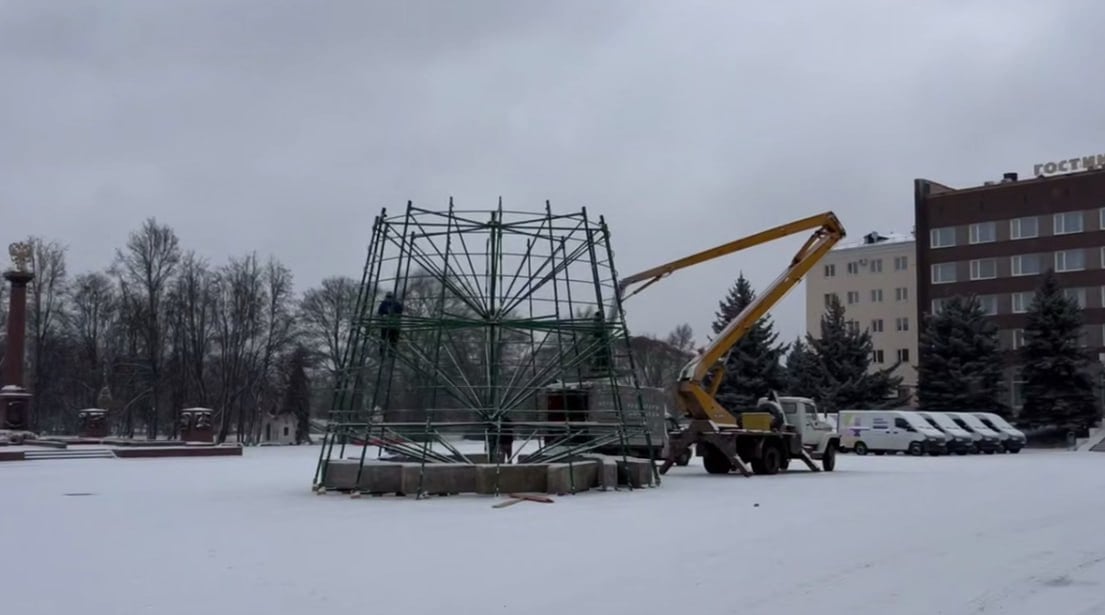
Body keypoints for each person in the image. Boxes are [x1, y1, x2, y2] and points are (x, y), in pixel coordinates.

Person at [377, 291, 403, 357]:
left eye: (390, 297)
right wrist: (383, 316)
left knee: (392, 340)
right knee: (384, 339)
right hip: (387, 325)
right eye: (388, 297)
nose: (389, 298)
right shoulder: (384, 304)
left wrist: (391, 314)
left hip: (394, 325)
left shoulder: (397, 304)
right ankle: (383, 352)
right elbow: (380, 313)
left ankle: (390, 353)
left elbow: (400, 312)